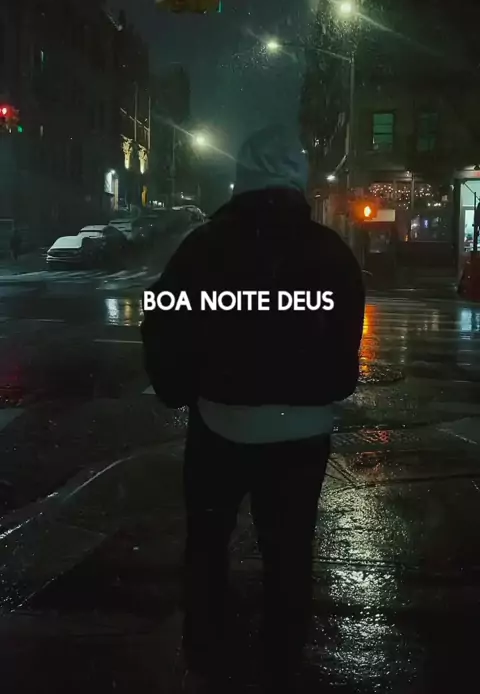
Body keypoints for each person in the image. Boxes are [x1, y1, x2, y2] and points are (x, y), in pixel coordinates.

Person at [141, 126, 365, 693]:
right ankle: (281, 659)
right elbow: (344, 351)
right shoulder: (331, 253)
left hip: (221, 420)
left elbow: (163, 325)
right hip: (303, 429)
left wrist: (182, 388)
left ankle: (207, 649)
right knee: (288, 553)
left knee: (208, 543)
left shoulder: (203, 246)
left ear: (242, 178)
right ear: (298, 181)